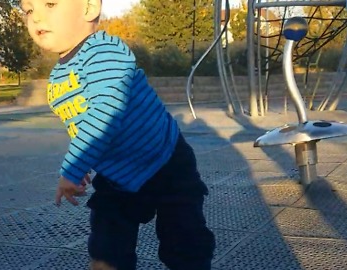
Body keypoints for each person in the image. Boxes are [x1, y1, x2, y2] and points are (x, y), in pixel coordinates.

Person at [21, 0, 215, 269]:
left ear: (89, 8)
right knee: (107, 240)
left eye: (50, 4)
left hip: (165, 162)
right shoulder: (58, 77)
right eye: (28, 9)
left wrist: (74, 167)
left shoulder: (105, 52)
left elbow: (105, 114)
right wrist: (89, 158)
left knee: (183, 239)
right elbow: (81, 121)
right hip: (117, 175)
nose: (36, 17)